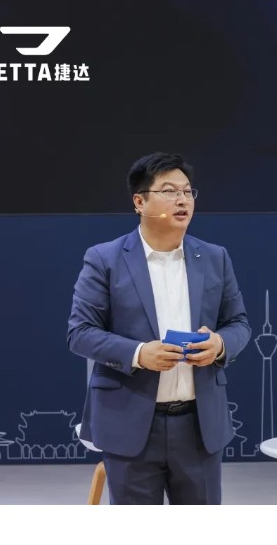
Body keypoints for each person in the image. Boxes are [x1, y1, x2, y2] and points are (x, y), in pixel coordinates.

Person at [68, 152, 251, 504]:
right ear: (139, 202)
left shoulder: (215, 257)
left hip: (198, 426)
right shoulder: (105, 259)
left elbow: (238, 323)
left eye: (187, 191)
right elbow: (80, 332)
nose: (182, 200)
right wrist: (138, 354)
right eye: (169, 191)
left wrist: (220, 344)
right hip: (130, 422)